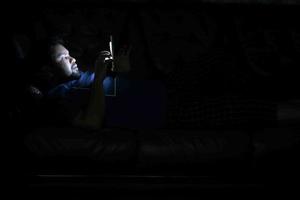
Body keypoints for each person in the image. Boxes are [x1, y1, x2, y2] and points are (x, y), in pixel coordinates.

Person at [27, 37, 131, 130]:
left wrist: (123, 71)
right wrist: (98, 79)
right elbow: (91, 123)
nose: (73, 59)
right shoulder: (58, 96)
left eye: (68, 54)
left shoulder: (81, 75)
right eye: (63, 57)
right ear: (47, 69)